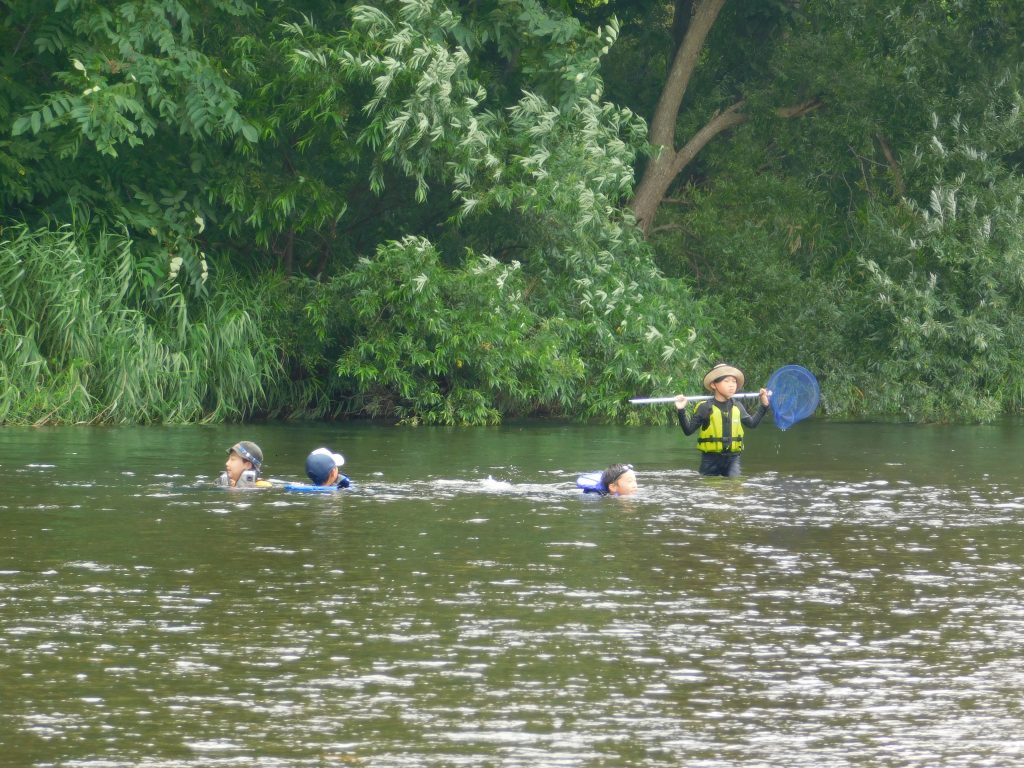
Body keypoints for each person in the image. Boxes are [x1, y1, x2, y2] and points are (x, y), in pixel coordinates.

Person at [675, 363, 770, 477]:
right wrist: (681, 410)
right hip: (710, 460)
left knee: (734, 490)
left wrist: (764, 405)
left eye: (734, 381)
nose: (731, 385)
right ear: (714, 385)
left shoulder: (737, 406)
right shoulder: (705, 408)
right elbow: (688, 431)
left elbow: (752, 424)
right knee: (711, 492)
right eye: (726, 381)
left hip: (733, 459)